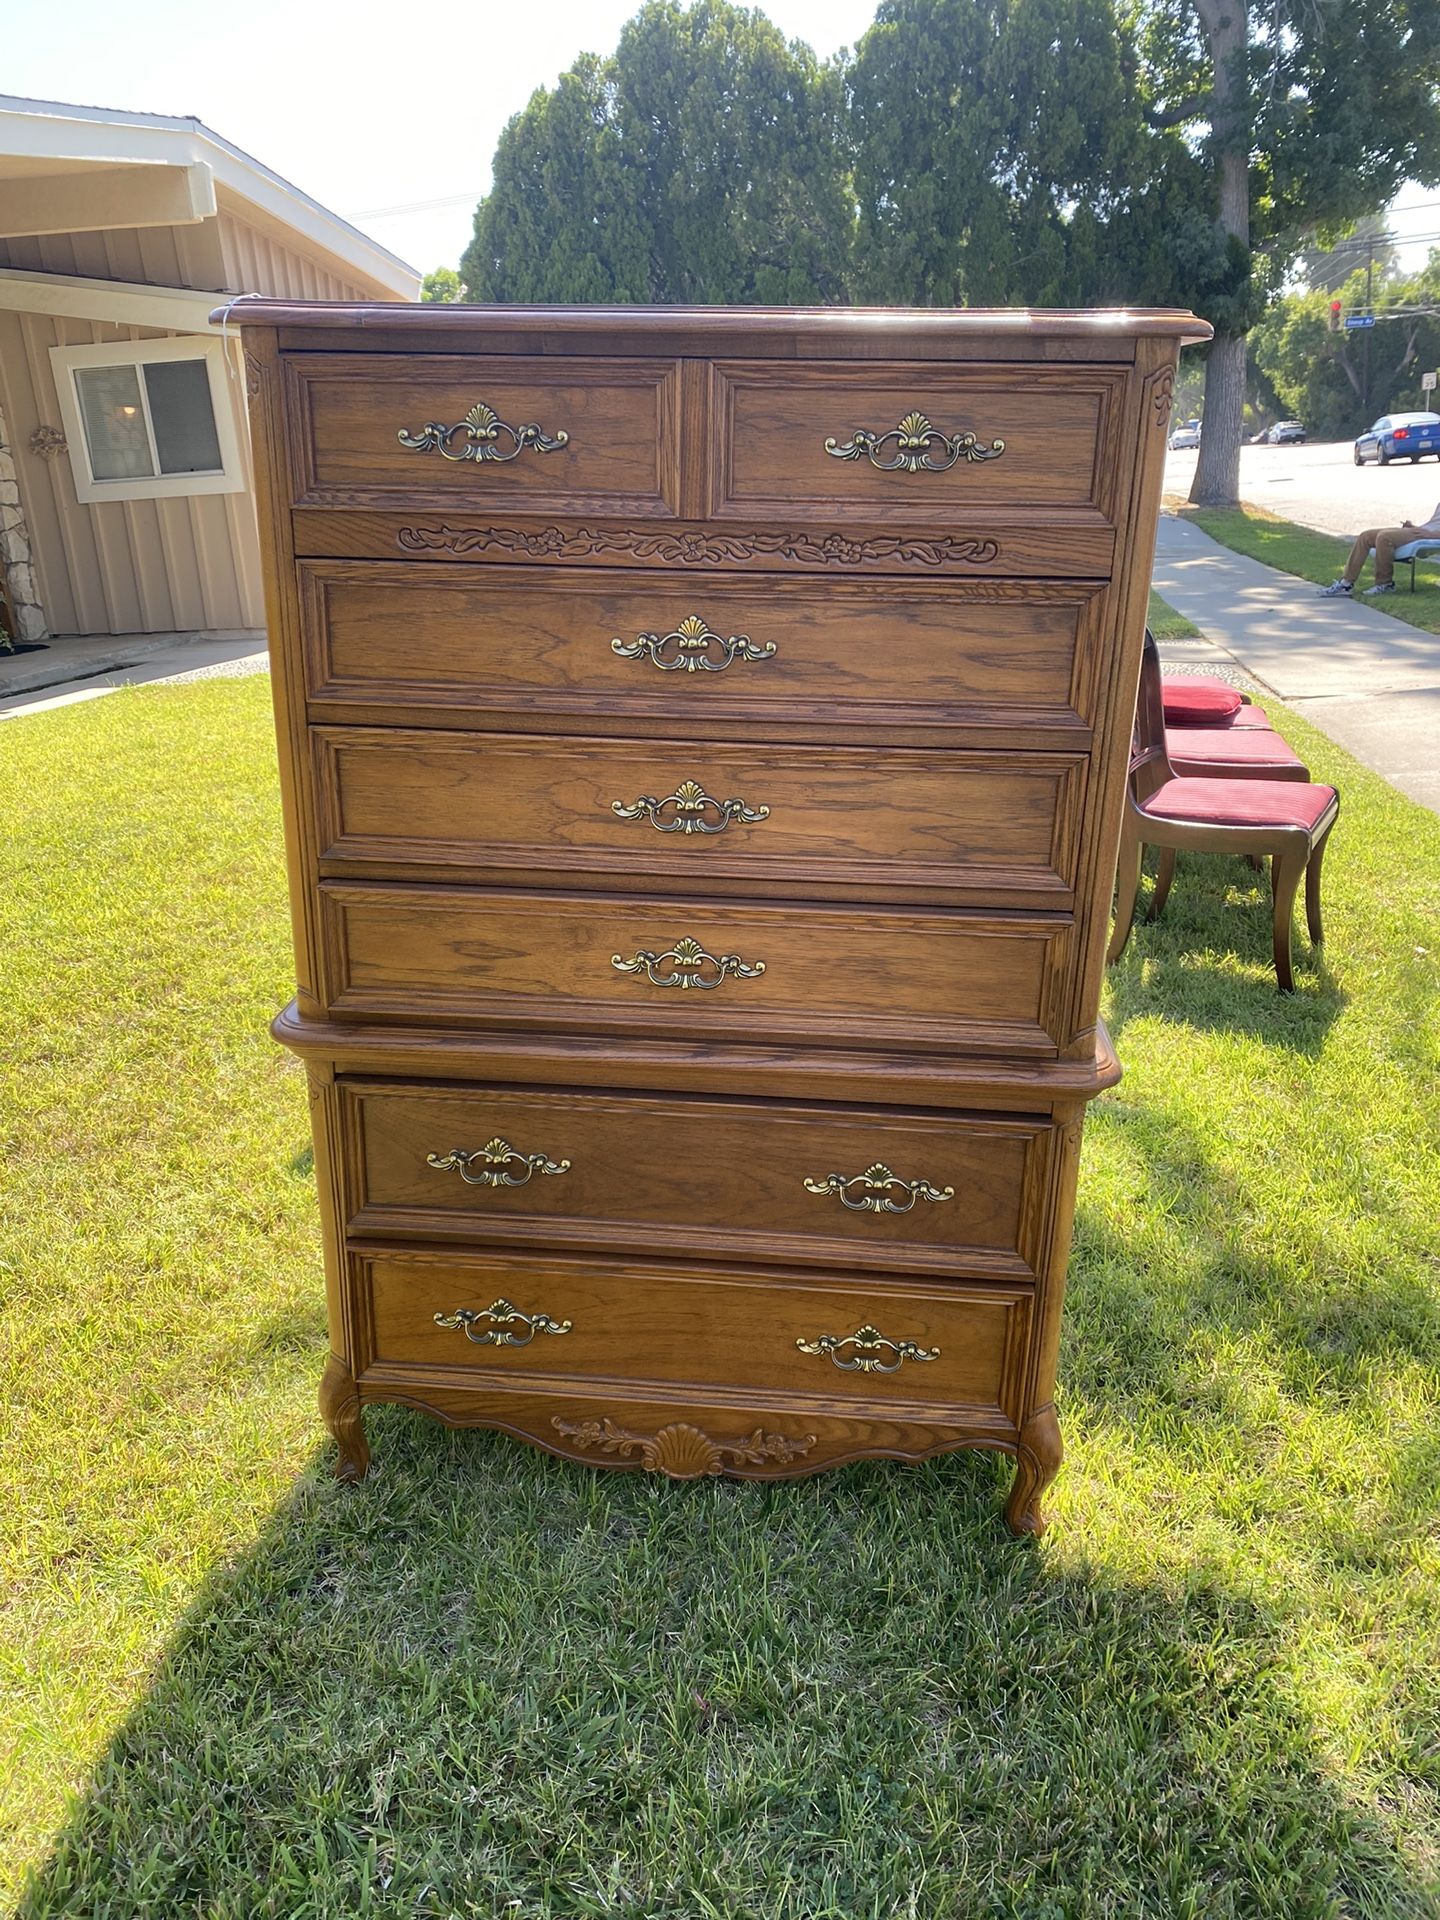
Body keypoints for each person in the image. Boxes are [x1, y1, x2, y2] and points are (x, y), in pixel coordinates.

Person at [1319, 499, 1440, 596]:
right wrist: (1413, 527)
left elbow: (1434, 529)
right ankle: (1346, 584)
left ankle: (1385, 584)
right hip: (1421, 531)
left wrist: (1431, 535)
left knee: (1384, 537)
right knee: (1365, 536)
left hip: (1428, 535)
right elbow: (1433, 523)